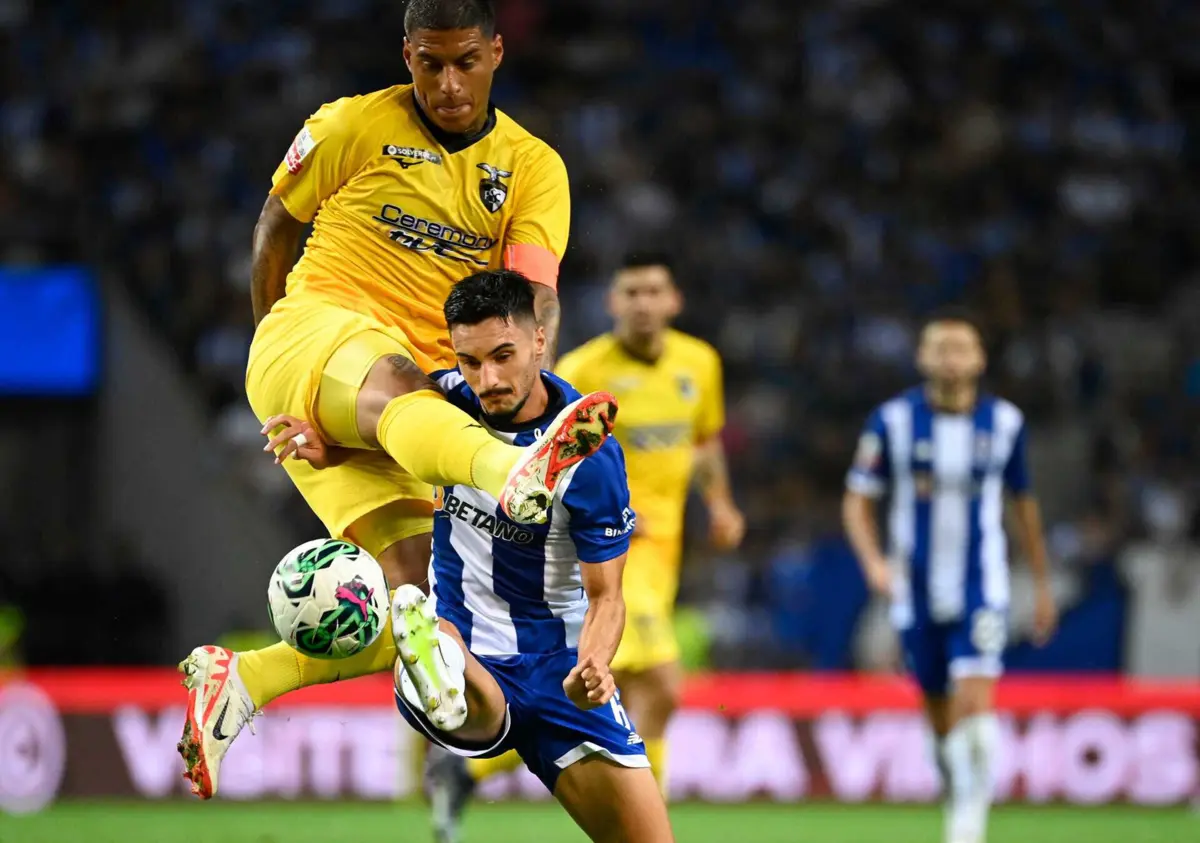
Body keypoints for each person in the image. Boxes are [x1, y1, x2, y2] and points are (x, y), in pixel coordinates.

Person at [176, 0, 618, 800]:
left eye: (465, 63)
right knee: (399, 384)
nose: (448, 84)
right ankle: (511, 472)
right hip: (317, 334)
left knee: (427, 607)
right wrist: (280, 358)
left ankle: (246, 679)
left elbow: (533, 298)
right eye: (430, 64)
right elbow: (274, 229)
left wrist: (526, 384)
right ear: (407, 55)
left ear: (496, 53)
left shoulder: (530, 166)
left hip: (411, 415)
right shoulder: (351, 125)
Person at [270, 270, 674, 843]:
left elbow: (607, 595)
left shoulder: (592, 455)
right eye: (470, 362)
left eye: (503, 356)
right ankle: (431, 656)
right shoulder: (441, 407)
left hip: (558, 669)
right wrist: (327, 447)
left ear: (539, 338)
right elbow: (380, 435)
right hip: (464, 646)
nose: (488, 380)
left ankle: (442, 664)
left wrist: (595, 663)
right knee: (462, 677)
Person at [842, 308, 1058, 843]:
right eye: (940, 348)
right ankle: (955, 786)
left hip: (982, 585)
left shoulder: (1004, 424)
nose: (951, 359)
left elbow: (1024, 505)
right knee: (939, 714)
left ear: (980, 359)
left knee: (975, 704)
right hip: (914, 591)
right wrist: (873, 562)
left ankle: (967, 826)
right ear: (922, 358)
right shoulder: (891, 421)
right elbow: (856, 500)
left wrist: (1042, 584)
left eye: (961, 348)